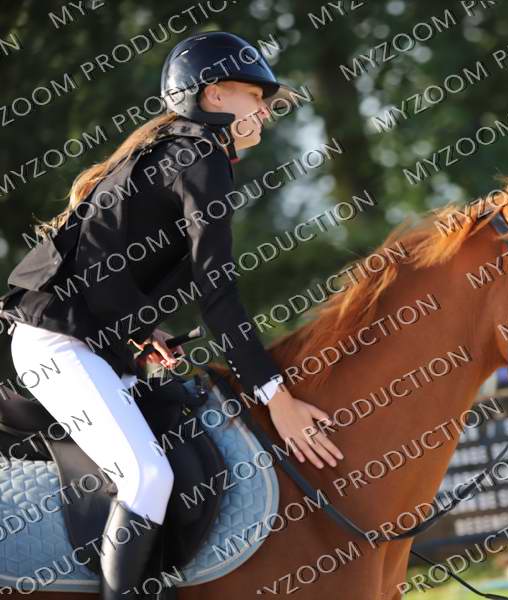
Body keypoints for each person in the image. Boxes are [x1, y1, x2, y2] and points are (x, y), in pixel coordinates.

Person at [0, 31, 343, 599]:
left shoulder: (180, 152)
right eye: (255, 96)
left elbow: (103, 268)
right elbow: (217, 294)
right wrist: (276, 397)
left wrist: (143, 329)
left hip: (82, 339)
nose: (265, 109)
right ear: (213, 95)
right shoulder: (201, 155)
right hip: (55, 344)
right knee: (148, 476)